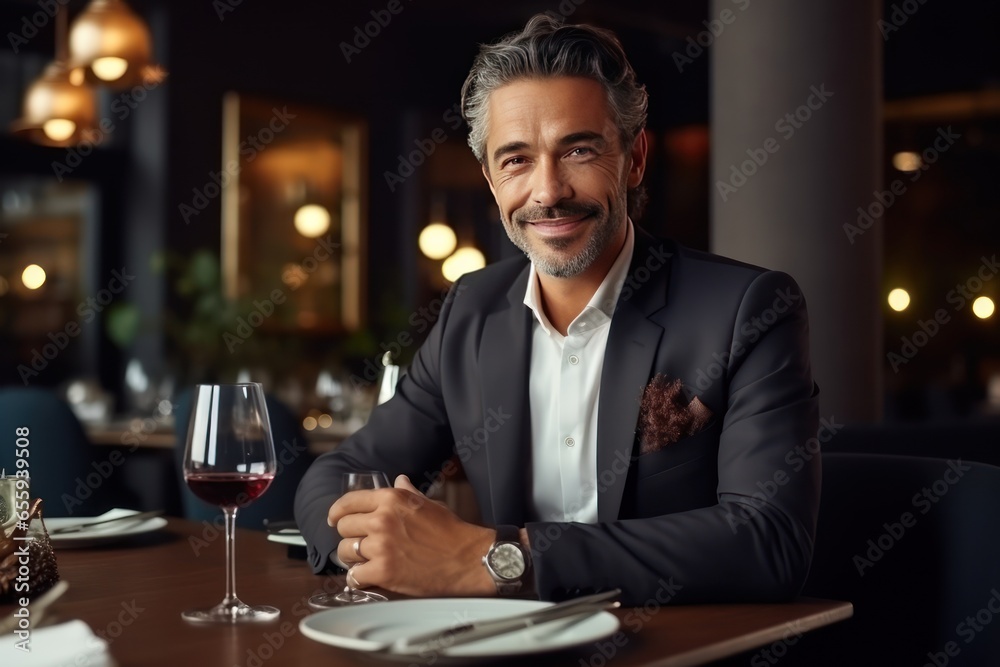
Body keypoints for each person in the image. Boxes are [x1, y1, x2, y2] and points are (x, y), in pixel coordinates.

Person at [294, 13, 820, 606]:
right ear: (492, 181)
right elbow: (334, 479)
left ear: (635, 158)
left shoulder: (747, 309)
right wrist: (384, 549)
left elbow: (769, 541)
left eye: (578, 149)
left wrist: (497, 559)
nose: (548, 191)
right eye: (516, 159)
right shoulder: (472, 310)